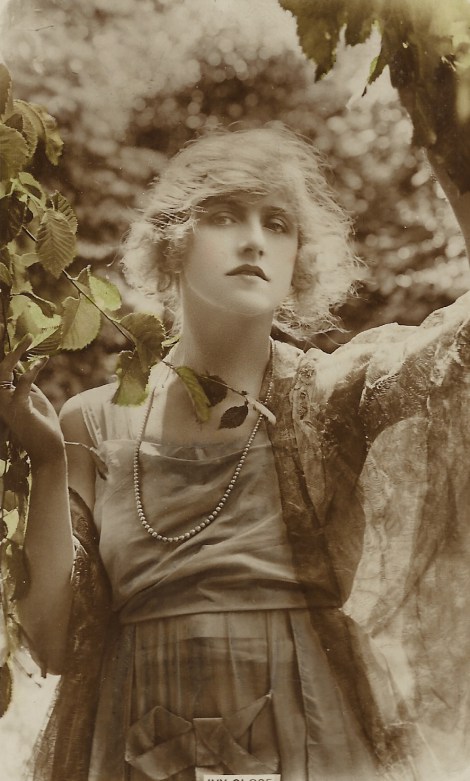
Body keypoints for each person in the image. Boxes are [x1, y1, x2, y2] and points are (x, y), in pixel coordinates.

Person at [0, 124, 469, 781]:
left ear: (300, 258)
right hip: (132, 749)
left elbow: (459, 349)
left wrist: (445, 128)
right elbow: (53, 644)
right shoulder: (92, 420)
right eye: (223, 215)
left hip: (314, 742)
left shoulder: (329, 398)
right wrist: (49, 461)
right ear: (172, 242)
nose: (254, 240)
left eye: (278, 223)